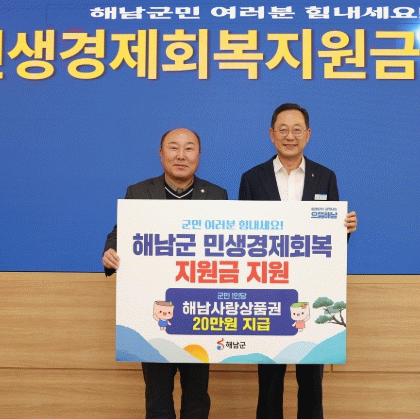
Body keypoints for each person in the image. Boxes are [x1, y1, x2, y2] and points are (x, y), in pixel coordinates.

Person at [239, 103, 357, 419]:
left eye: (296, 129)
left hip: (312, 289)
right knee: (269, 381)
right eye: (283, 129)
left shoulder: (325, 177)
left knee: (311, 382)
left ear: (308, 134)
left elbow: (331, 244)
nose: (289, 136)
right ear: (271, 134)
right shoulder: (252, 179)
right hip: (267, 290)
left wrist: (344, 229)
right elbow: (242, 238)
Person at [103, 128, 228, 419]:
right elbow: (120, 234)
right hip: (151, 314)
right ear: (161, 154)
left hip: (199, 312)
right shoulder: (138, 193)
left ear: (199, 155)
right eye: (173, 148)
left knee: (197, 399)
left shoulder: (217, 196)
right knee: (157, 398)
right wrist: (110, 252)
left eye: (189, 148)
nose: (181, 155)